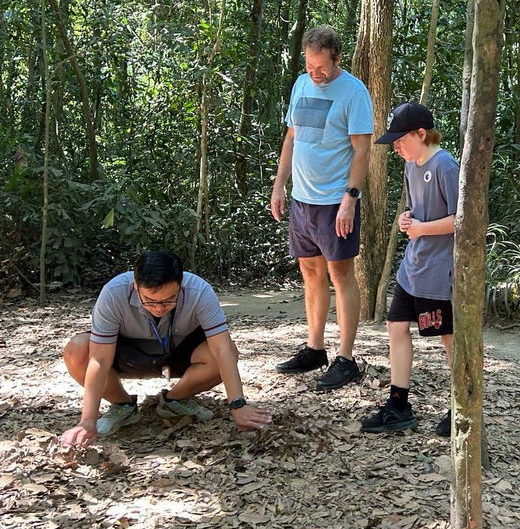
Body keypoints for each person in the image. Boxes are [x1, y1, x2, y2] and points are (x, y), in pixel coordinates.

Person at [60, 250, 272, 446]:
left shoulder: (199, 290)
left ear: (181, 284)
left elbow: (223, 350)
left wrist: (238, 405)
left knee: (228, 352)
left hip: (179, 353)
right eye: (149, 301)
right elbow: (100, 359)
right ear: (136, 286)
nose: (159, 308)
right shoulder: (114, 292)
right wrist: (87, 420)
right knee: (77, 350)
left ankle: (174, 400)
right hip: (128, 354)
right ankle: (123, 405)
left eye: (169, 300)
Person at [271, 25, 373, 390]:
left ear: (337, 58)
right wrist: (280, 184)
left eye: (322, 68)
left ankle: (346, 358)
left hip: (335, 202)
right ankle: (315, 348)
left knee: (340, 274)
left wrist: (351, 197)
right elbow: (292, 137)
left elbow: (362, 149)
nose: (315, 74)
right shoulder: (301, 84)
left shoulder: (353, 92)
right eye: (310, 66)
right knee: (310, 272)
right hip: (303, 200)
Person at [361, 102, 459, 435]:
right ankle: (398, 404)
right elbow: (413, 210)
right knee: (396, 328)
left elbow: (463, 219)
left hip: (439, 271)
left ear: (421, 134)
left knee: (449, 338)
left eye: (400, 140)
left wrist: (421, 228)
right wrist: (406, 219)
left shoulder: (445, 165)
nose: (396, 147)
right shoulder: (411, 165)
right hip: (412, 266)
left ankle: (461, 406)